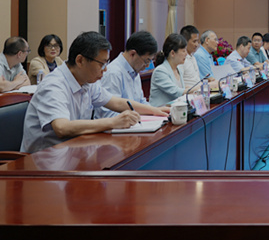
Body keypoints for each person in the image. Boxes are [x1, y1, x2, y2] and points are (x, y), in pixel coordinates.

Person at [21, 31, 164, 153]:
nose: (105, 69)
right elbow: (62, 128)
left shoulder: (88, 82)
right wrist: (113, 122)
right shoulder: (54, 85)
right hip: (43, 161)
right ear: (80, 60)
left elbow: (117, 103)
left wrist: (156, 111)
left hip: (73, 152)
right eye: (102, 64)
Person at [95, 31, 168, 119]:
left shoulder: (135, 70)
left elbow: (141, 102)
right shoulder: (113, 73)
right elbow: (108, 115)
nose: (147, 66)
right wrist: (137, 116)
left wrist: (155, 111)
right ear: (133, 54)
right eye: (146, 61)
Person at [149, 33, 188, 107]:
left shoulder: (178, 69)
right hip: (160, 111)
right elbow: (176, 92)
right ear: (172, 53)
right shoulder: (160, 71)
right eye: (183, 51)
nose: (186, 54)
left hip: (175, 109)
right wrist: (197, 88)